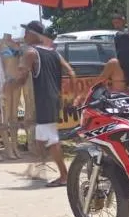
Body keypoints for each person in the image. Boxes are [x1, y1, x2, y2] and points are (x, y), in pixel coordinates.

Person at [7, 20, 77, 187]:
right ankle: (39, 169)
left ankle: (64, 175)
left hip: (45, 99)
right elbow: (71, 72)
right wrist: (72, 97)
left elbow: (22, 78)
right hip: (53, 98)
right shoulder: (54, 53)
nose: (24, 36)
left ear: (33, 34)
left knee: (52, 139)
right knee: (40, 138)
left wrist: (9, 87)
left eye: (26, 32)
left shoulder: (31, 53)